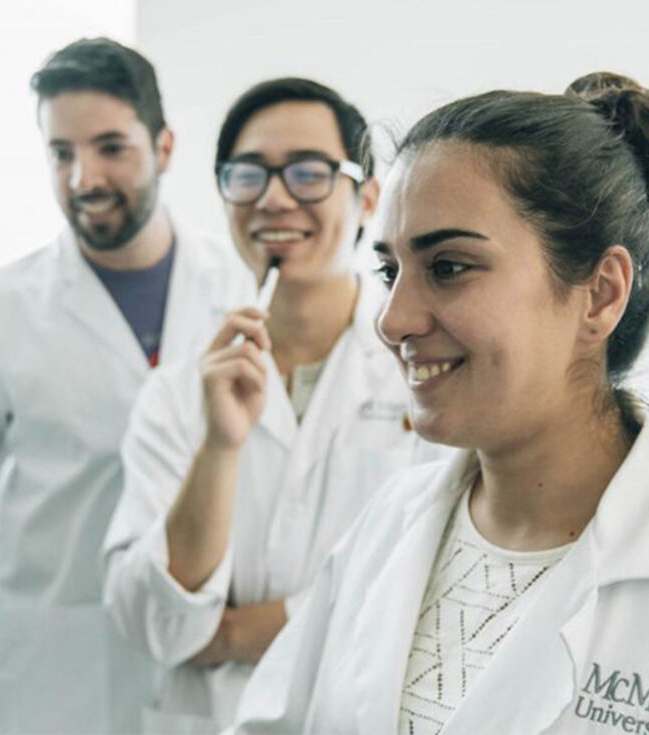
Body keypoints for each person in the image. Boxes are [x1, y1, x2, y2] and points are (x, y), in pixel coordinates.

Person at [226, 73, 649, 734]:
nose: (392, 321)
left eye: (449, 266)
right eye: (390, 272)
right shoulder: (387, 528)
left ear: (598, 294)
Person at [0, 38, 253, 735]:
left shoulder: (240, 290)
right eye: (61, 153)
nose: (83, 178)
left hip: (207, 685)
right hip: (50, 681)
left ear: (164, 147)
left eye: (109, 147)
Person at [102, 78, 444, 734]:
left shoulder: (422, 374)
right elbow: (154, 622)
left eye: (310, 173)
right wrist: (220, 444)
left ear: (368, 196)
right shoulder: (177, 395)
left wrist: (235, 631)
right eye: (248, 174)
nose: (276, 197)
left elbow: (423, 591)